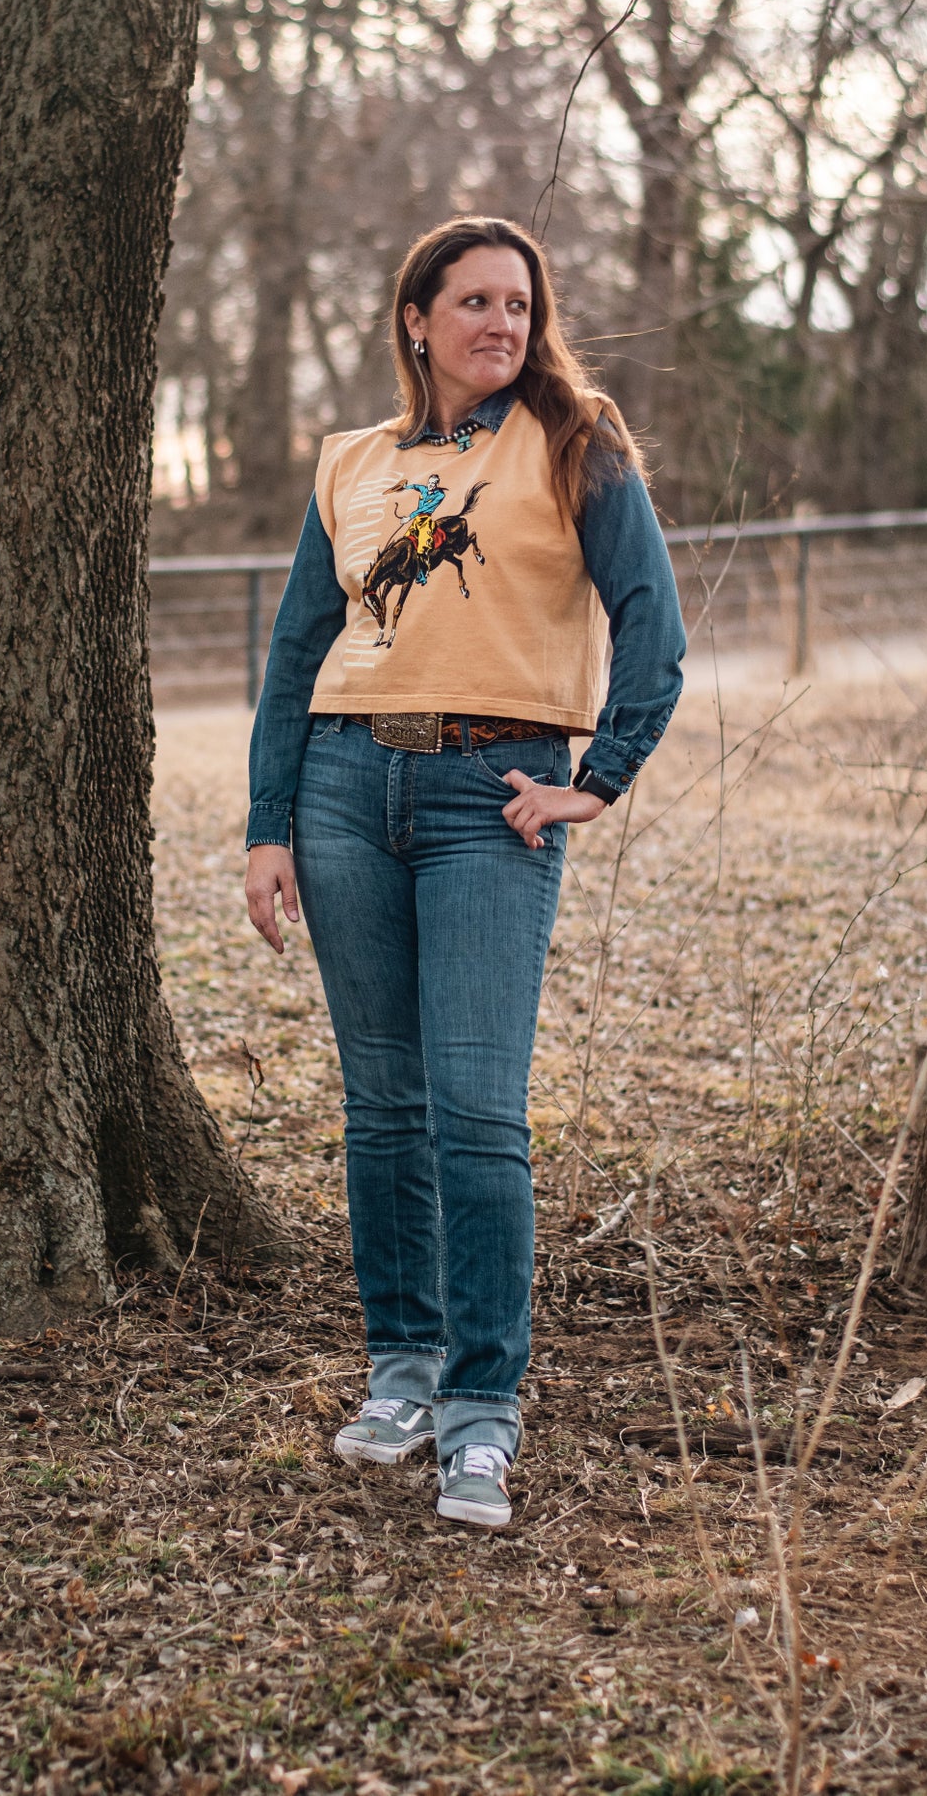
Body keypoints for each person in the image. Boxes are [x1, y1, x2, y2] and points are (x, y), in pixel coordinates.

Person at [244, 215, 685, 1529]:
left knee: (477, 1116)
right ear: (416, 320)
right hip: (341, 784)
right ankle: (404, 1372)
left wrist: (597, 775)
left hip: (489, 795)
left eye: (518, 302)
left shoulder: (573, 438)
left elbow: (649, 620)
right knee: (383, 1107)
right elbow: (290, 656)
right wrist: (270, 824)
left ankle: (484, 1411)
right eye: (474, 302)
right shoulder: (353, 463)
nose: (501, 322)